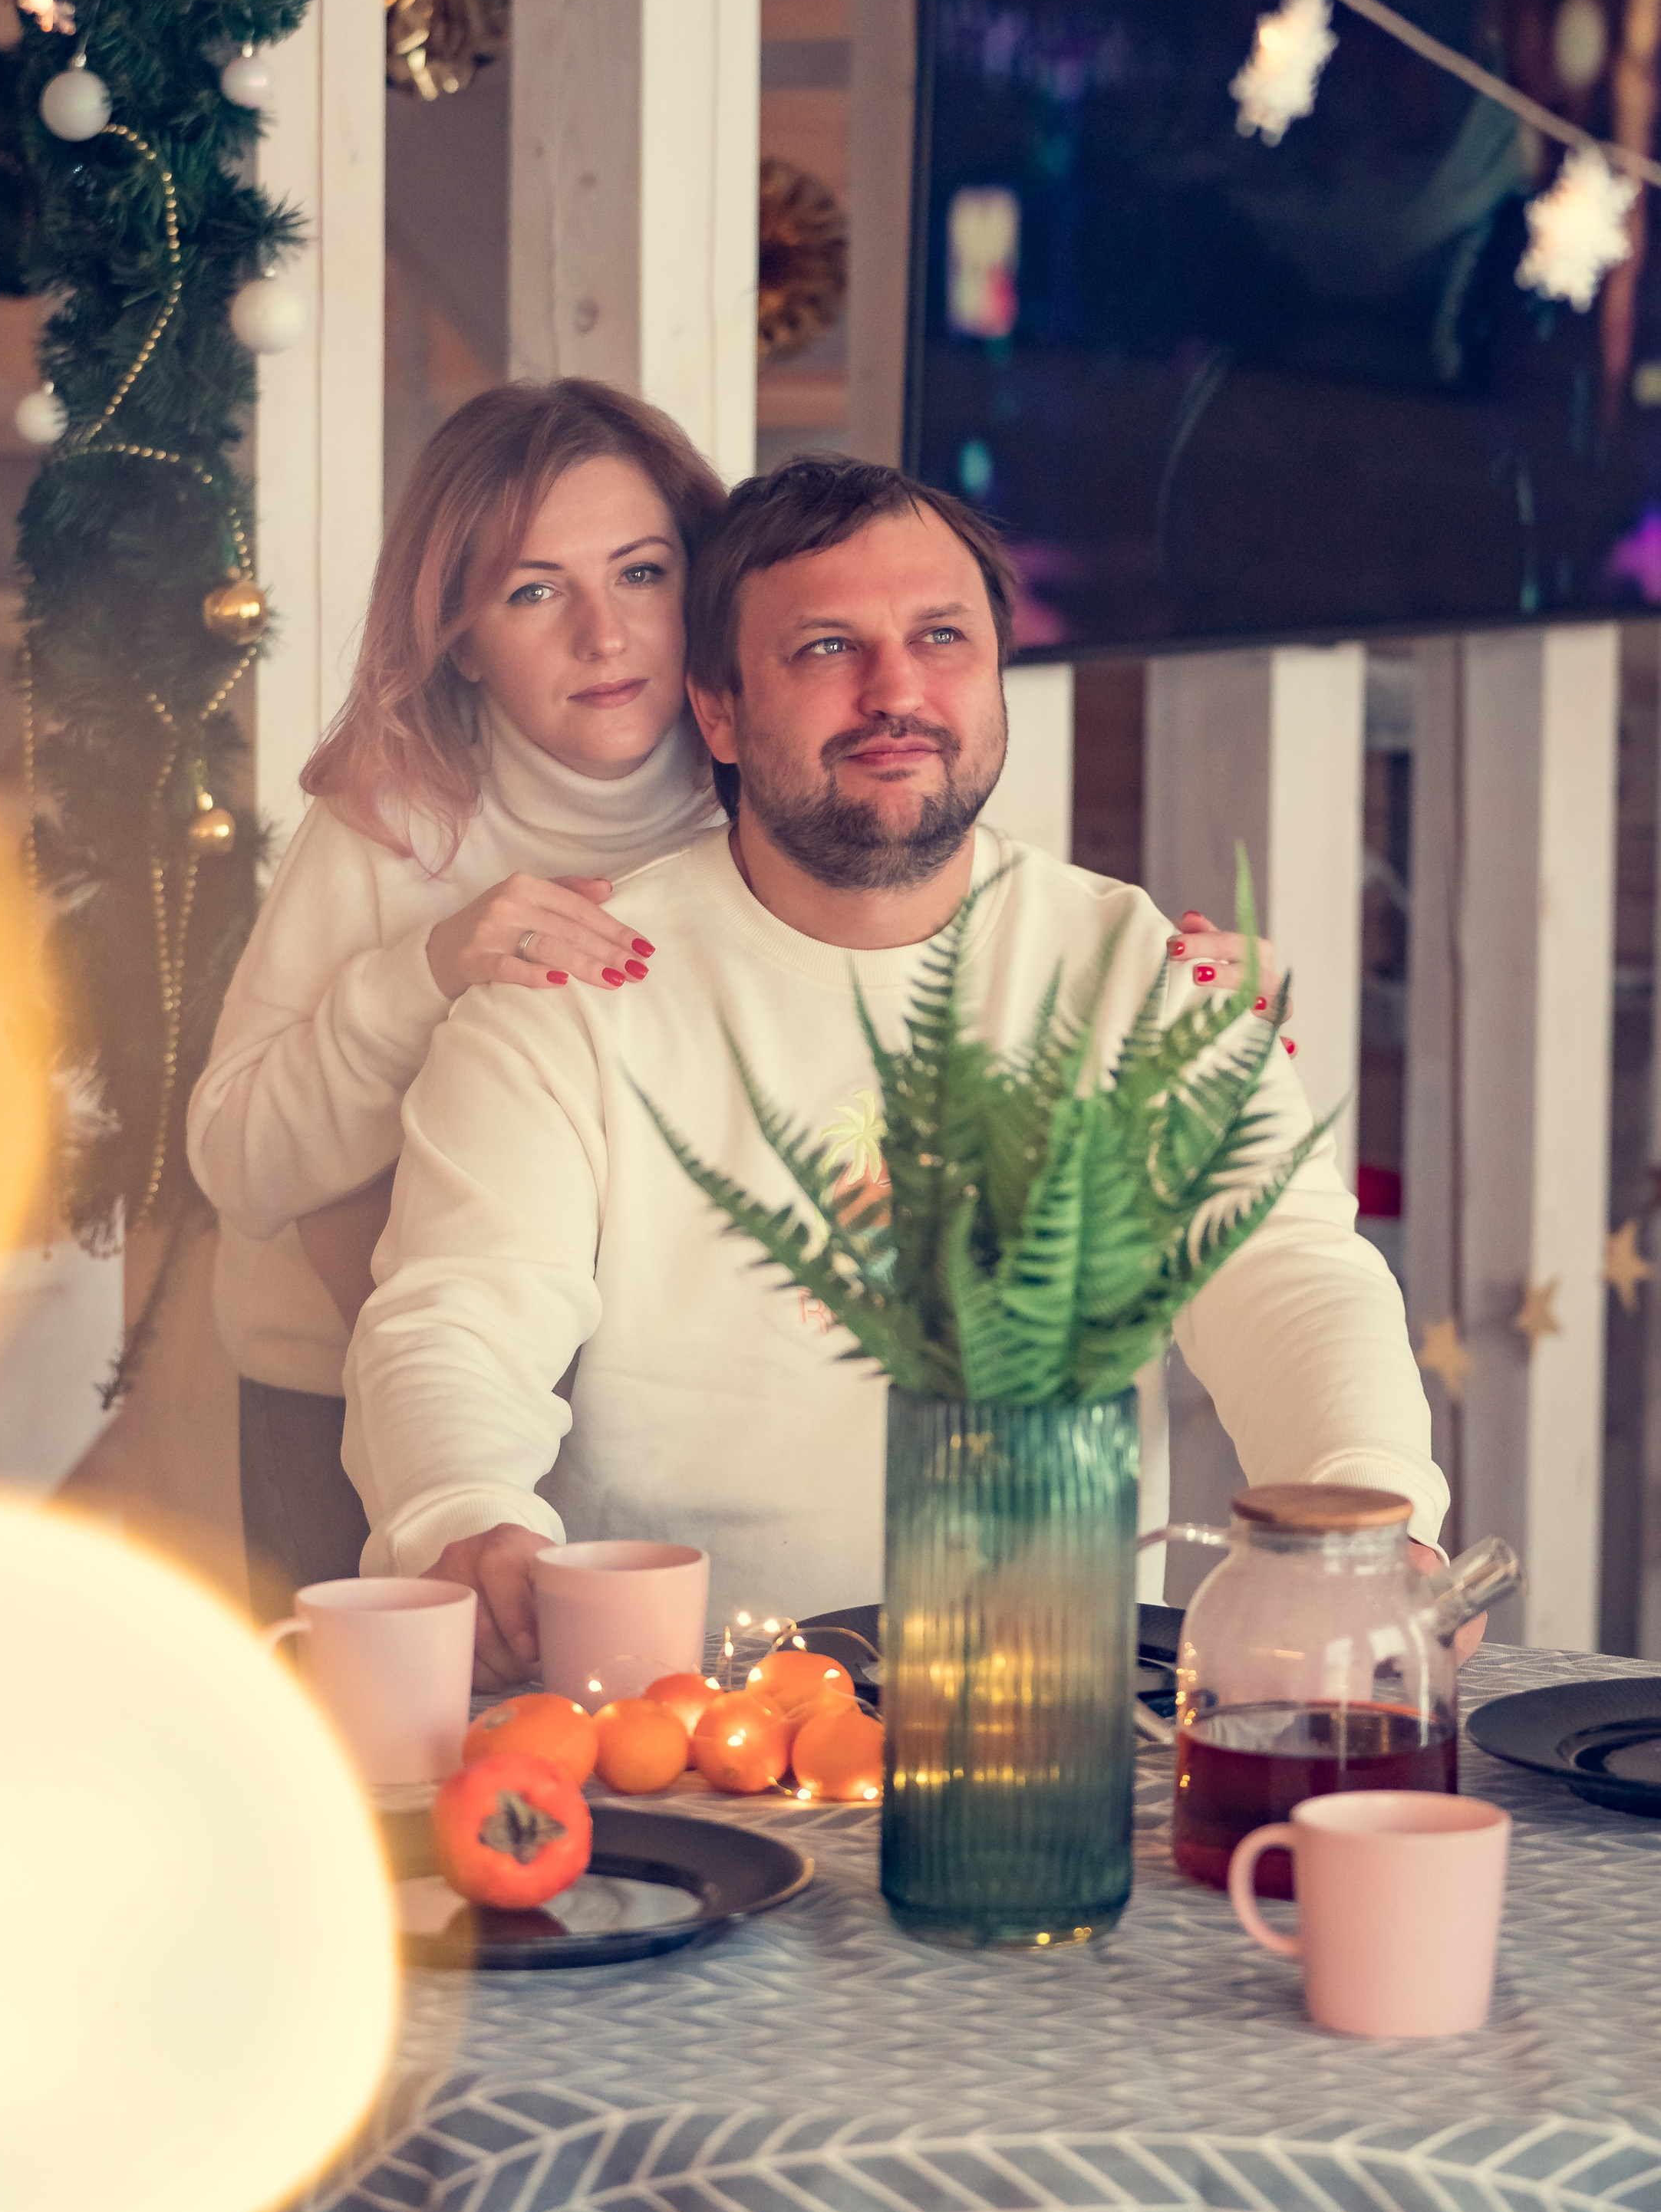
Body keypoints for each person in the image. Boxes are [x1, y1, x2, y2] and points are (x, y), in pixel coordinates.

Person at [345, 456, 1448, 1685]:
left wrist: (1372, 1503)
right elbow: (458, 1316)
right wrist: (463, 1510)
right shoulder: (575, 996)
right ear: (716, 707)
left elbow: (1283, 1274)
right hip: (679, 1716)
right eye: (826, 647)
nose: (897, 692)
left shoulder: (1147, 977)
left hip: (1043, 1713)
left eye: (942, 638)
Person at [186, 380, 729, 1621]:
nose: (605, 633)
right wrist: (424, 975)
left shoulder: (763, 802)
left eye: (641, 573)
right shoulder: (399, 816)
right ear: (460, 635)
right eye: (535, 590)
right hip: (336, 1406)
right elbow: (237, 1160)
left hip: (633, 1415)